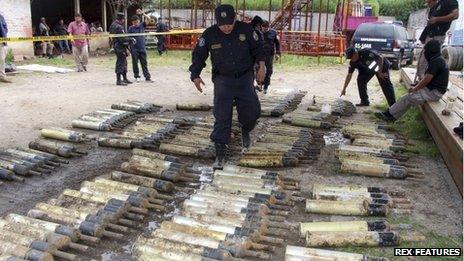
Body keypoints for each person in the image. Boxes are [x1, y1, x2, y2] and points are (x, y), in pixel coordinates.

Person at [189, 4, 266, 169]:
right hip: (223, 80)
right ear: (217, 22)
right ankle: (220, 153)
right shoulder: (209, 34)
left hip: (245, 78)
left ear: (234, 19)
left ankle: (246, 129)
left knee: (252, 113)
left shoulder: (246, 30)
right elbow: (199, 55)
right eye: (222, 24)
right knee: (222, 117)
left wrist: (262, 65)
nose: (226, 27)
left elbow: (259, 48)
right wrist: (195, 75)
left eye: (229, 23)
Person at [375, 40, 449, 122]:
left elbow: (427, 79)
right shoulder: (438, 59)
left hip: (434, 93)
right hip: (434, 91)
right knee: (407, 98)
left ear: (430, 51)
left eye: (426, 50)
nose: (425, 53)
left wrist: (415, 88)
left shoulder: (436, 61)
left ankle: (389, 115)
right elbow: (431, 79)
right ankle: (392, 116)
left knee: (408, 98)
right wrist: (417, 85)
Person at [415, 0, 459, 82]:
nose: (428, 4)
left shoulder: (450, 1)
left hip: (437, 36)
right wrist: (423, 36)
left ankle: (424, 83)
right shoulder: (436, 5)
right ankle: (420, 81)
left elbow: (455, 15)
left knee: (430, 61)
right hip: (430, 36)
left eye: (429, 2)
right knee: (422, 60)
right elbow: (431, 23)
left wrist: (437, 19)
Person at [110, 12, 135, 86]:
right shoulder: (119, 27)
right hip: (120, 46)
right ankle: (118, 80)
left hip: (116, 45)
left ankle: (124, 78)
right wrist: (131, 39)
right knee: (121, 62)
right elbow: (122, 39)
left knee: (124, 62)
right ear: (122, 19)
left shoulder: (113, 25)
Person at [128, 9, 152, 82]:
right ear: (132, 22)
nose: (136, 23)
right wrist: (129, 49)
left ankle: (147, 76)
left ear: (139, 21)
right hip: (134, 49)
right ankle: (136, 76)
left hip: (142, 48)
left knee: (144, 62)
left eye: (137, 21)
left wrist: (143, 13)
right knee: (135, 63)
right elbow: (128, 39)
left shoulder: (142, 25)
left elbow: (149, 19)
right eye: (135, 22)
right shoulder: (130, 28)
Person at [261, 20, 281, 94]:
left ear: (269, 27)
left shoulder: (273, 33)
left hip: (269, 54)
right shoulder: (257, 32)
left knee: (269, 70)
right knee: (258, 69)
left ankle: (266, 85)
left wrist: (278, 53)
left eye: (266, 28)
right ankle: (260, 83)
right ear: (261, 27)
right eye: (263, 28)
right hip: (259, 54)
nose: (265, 29)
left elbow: (277, 44)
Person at [0, 13, 11, 83]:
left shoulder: (1, 16)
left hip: (1, 41)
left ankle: (2, 76)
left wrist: (4, 38)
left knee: (1, 59)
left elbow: (5, 27)